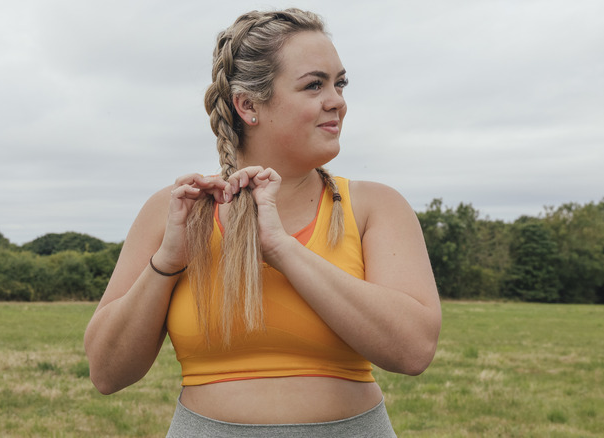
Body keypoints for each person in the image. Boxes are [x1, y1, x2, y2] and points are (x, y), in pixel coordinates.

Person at [84, 8, 441, 437]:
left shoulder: (373, 206)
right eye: (314, 85)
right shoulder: (176, 210)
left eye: (339, 83)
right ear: (248, 105)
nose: (338, 101)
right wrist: (167, 262)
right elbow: (106, 373)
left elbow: (414, 350)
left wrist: (282, 248)